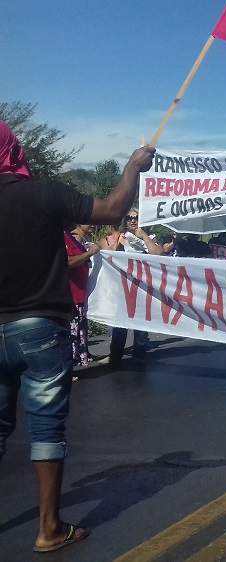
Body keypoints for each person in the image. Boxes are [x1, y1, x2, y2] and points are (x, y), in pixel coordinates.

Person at [0, 120, 154, 552]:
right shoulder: (44, 194)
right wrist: (132, 168)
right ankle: (49, 529)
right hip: (41, 328)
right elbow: (110, 210)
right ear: (14, 149)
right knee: (46, 427)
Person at [107, 209, 162, 364]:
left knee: (141, 321)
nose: (132, 220)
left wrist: (143, 236)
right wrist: (118, 242)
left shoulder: (150, 237)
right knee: (119, 322)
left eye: (136, 217)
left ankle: (139, 354)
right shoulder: (121, 237)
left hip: (142, 287)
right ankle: (115, 355)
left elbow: (158, 254)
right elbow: (108, 255)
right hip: (122, 286)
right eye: (129, 217)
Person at [64, 223, 102, 369]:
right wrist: (89, 253)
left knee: (79, 329)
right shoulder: (69, 238)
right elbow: (69, 262)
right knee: (72, 332)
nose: (92, 224)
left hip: (80, 293)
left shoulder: (78, 239)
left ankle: (79, 359)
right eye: (88, 221)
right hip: (72, 293)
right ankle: (70, 367)